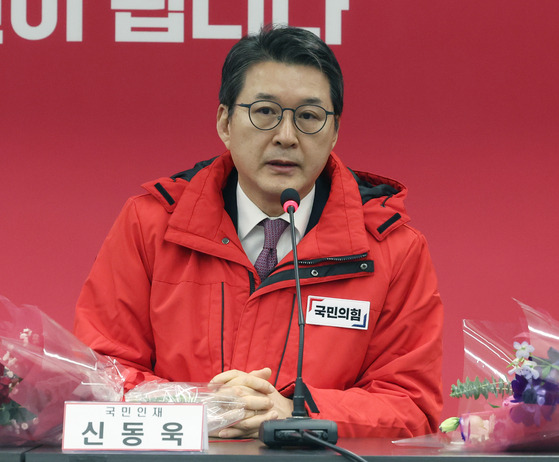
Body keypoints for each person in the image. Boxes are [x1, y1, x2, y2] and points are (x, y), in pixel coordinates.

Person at [74, 25, 443, 439]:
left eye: (308, 117)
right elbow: (96, 376)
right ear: (225, 122)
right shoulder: (151, 225)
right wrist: (200, 408)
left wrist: (294, 413)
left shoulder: (392, 249)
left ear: (335, 131)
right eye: (265, 112)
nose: (286, 137)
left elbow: (411, 406)